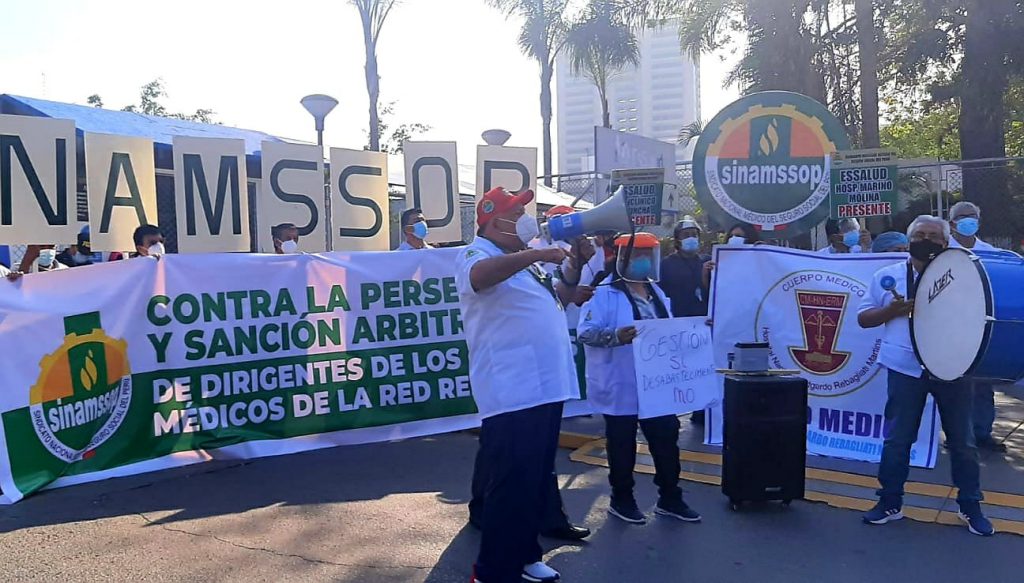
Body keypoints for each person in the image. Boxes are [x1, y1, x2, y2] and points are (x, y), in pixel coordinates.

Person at [457, 187, 579, 583]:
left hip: (545, 386)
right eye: (518, 214)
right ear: (495, 221)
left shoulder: (523, 263)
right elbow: (479, 277)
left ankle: (526, 555)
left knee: (535, 480)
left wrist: (576, 263)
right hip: (513, 389)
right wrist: (536, 254)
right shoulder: (476, 254)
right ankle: (492, 571)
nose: (527, 220)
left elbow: (561, 295)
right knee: (510, 484)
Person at [857, 215, 994, 536]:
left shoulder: (967, 277)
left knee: (963, 442)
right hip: (904, 368)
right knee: (897, 439)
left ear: (946, 243)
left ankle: (970, 506)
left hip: (952, 368)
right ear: (909, 240)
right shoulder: (887, 276)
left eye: (934, 236)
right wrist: (892, 311)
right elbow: (864, 319)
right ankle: (889, 502)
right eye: (920, 235)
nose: (926, 241)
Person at [578, 232, 702, 525]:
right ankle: (622, 499)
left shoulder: (655, 292)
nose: (644, 261)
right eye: (638, 255)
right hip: (621, 382)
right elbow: (585, 332)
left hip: (656, 383)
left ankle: (670, 497)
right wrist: (615, 336)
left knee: (666, 438)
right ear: (623, 258)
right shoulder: (604, 293)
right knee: (622, 443)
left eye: (649, 255)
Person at [945, 201, 1003, 452]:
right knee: (954, 384)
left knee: (981, 383)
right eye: (962, 216)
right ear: (952, 223)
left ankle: (982, 433)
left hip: (981, 323)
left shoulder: (991, 253)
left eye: (972, 216)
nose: (968, 220)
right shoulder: (943, 251)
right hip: (949, 324)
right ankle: (957, 434)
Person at [658, 216, 712, 425]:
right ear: (677, 240)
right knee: (677, 371)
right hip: (678, 323)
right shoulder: (666, 265)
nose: (691, 238)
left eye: (694, 235)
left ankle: (702, 411)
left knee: (702, 370)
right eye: (686, 235)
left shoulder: (707, 261)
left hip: (703, 325)